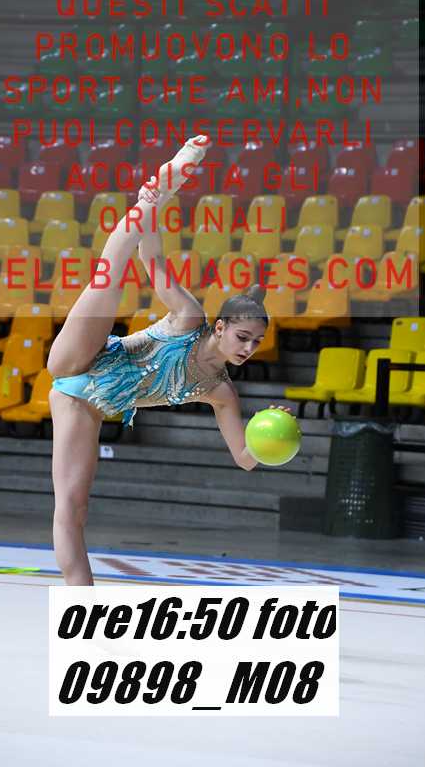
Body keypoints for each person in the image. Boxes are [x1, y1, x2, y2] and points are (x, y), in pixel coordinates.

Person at [47, 135, 287, 585]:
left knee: (73, 510)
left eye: (256, 343)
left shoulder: (220, 391)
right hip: (87, 356)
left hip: (83, 404)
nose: (248, 349)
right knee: (109, 275)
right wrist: (155, 210)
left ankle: (79, 606)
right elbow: (152, 259)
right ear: (220, 327)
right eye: (242, 337)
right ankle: (157, 190)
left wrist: (271, 439)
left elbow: (244, 458)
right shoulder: (189, 318)